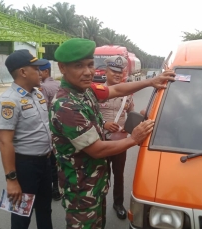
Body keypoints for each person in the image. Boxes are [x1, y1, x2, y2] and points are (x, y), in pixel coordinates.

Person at [49, 38, 176, 229]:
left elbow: (115, 90)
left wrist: (151, 81)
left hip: (94, 185)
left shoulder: (85, 90)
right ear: (62, 68)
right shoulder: (67, 105)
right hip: (81, 191)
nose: (88, 72)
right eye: (78, 66)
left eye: (90, 65)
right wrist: (134, 139)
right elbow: (97, 150)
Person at [0, 49, 53, 229]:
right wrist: (11, 180)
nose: (41, 73)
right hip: (25, 167)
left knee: (45, 210)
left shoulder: (38, 94)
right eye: (36, 68)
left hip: (45, 162)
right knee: (21, 216)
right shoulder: (9, 101)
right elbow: (5, 142)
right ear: (23, 72)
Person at [99, 55, 133, 220]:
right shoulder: (96, 91)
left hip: (120, 142)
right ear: (106, 71)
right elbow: (88, 116)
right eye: (114, 71)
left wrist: (129, 128)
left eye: (120, 72)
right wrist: (104, 123)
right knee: (101, 174)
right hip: (101, 141)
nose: (118, 75)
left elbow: (130, 112)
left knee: (118, 174)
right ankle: (99, 203)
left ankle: (118, 203)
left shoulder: (127, 92)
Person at [38, 60, 62, 201]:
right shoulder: (59, 85)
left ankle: (53, 190)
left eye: (39, 71)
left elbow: (43, 112)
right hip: (61, 127)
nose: (38, 74)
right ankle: (58, 189)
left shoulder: (43, 88)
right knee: (58, 160)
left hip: (49, 128)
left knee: (51, 162)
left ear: (46, 71)